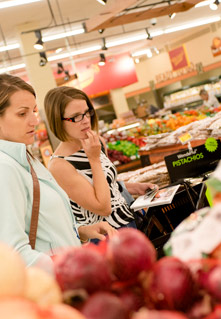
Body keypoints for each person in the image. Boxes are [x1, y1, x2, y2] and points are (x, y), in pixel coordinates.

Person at [0, 74, 115, 272]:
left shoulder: (23, 158)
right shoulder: (1, 168)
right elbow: (13, 251)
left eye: (33, 111)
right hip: (56, 283)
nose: (34, 120)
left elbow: (41, 230)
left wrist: (81, 232)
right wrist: (69, 271)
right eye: (22, 114)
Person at [44, 86, 157, 232]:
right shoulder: (60, 165)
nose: (85, 120)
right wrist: (94, 159)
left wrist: (135, 187)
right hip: (106, 238)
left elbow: (107, 185)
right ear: (58, 121)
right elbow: (103, 207)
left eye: (86, 113)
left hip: (130, 223)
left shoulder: (97, 143)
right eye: (76, 116)